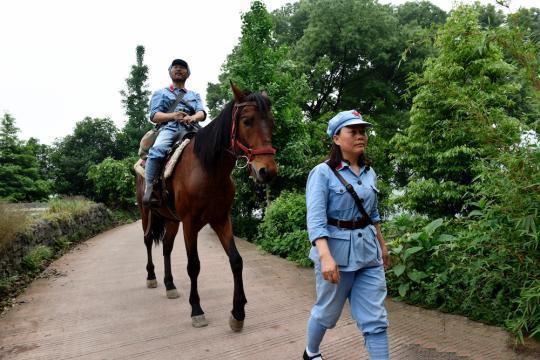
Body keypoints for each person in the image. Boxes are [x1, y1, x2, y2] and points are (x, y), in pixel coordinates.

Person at [303, 110, 390, 360]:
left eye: (363, 131)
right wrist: (325, 256)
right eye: (353, 131)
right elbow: (316, 219)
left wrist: (382, 246)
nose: (361, 136)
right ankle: (311, 352)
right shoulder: (322, 172)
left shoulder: (369, 172)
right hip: (336, 255)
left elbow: (373, 214)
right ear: (337, 138)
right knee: (326, 313)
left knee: (375, 319)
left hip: (369, 255)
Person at [142, 58, 207, 207]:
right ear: (170, 72)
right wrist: (173, 116)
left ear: (188, 73)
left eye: (182, 67)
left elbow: (202, 113)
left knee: (215, 148)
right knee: (157, 151)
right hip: (170, 128)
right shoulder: (161, 93)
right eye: (175, 67)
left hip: (193, 128)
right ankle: (150, 189)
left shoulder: (194, 95)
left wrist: (193, 117)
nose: (178, 69)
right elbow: (154, 116)